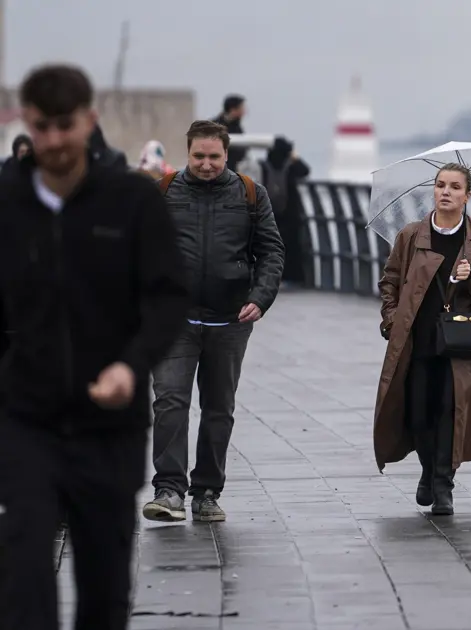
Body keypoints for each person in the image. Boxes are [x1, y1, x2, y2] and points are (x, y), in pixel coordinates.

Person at [0, 63, 190, 630]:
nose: (54, 141)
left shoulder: (131, 201)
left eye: (65, 125)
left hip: (110, 427)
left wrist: (132, 367)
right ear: (25, 123)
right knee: (24, 567)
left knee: (104, 588)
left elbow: (167, 298)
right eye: (42, 128)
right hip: (26, 418)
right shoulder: (6, 203)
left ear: (90, 121)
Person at [141, 120, 284, 524]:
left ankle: (206, 492)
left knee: (218, 408)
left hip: (231, 320)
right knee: (170, 401)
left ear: (227, 155)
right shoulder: (164, 192)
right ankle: (168, 490)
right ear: (187, 154)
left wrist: (261, 297)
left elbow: (272, 252)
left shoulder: (251, 195)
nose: (206, 164)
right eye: (198, 157)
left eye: (214, 157)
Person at [373, 163, 471, 516]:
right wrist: (391, 321)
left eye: (454, 187)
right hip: (416, 339)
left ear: (467, 195)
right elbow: (390, 281)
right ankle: (428, 470)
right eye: (440, 185)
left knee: (451, 411)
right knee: (418, 413)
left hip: (459, 343)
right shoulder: (411, 235)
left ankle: (443, 484)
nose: (446, 192)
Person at [259, 136, 311, 285]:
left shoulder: (263, 166)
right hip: (290, 215)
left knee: (268, 247)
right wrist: (296, 158)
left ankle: (269, 276)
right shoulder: (290, 166)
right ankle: (293, 278)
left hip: (268, 214)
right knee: (292, 247)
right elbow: (305, 171)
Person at [213, 94, 247, 172]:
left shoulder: (237, 127)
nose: (244, 112)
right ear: (233, 109)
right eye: (242, 108)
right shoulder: (214, 126)